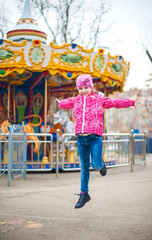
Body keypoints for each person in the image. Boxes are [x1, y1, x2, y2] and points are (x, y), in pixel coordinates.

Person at [56, 74, 136, 209]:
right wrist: (59, 102)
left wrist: (130, 102)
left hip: (94, 138)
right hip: (81, 139)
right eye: (80, 88)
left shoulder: (98, 99)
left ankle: (100, 165)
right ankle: (84, 194)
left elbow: (114, 103)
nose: (83, 90)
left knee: (96, 164)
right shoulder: (76, 100)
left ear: (91, 86)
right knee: (84, 166)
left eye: (86, 87)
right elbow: (65, 103)